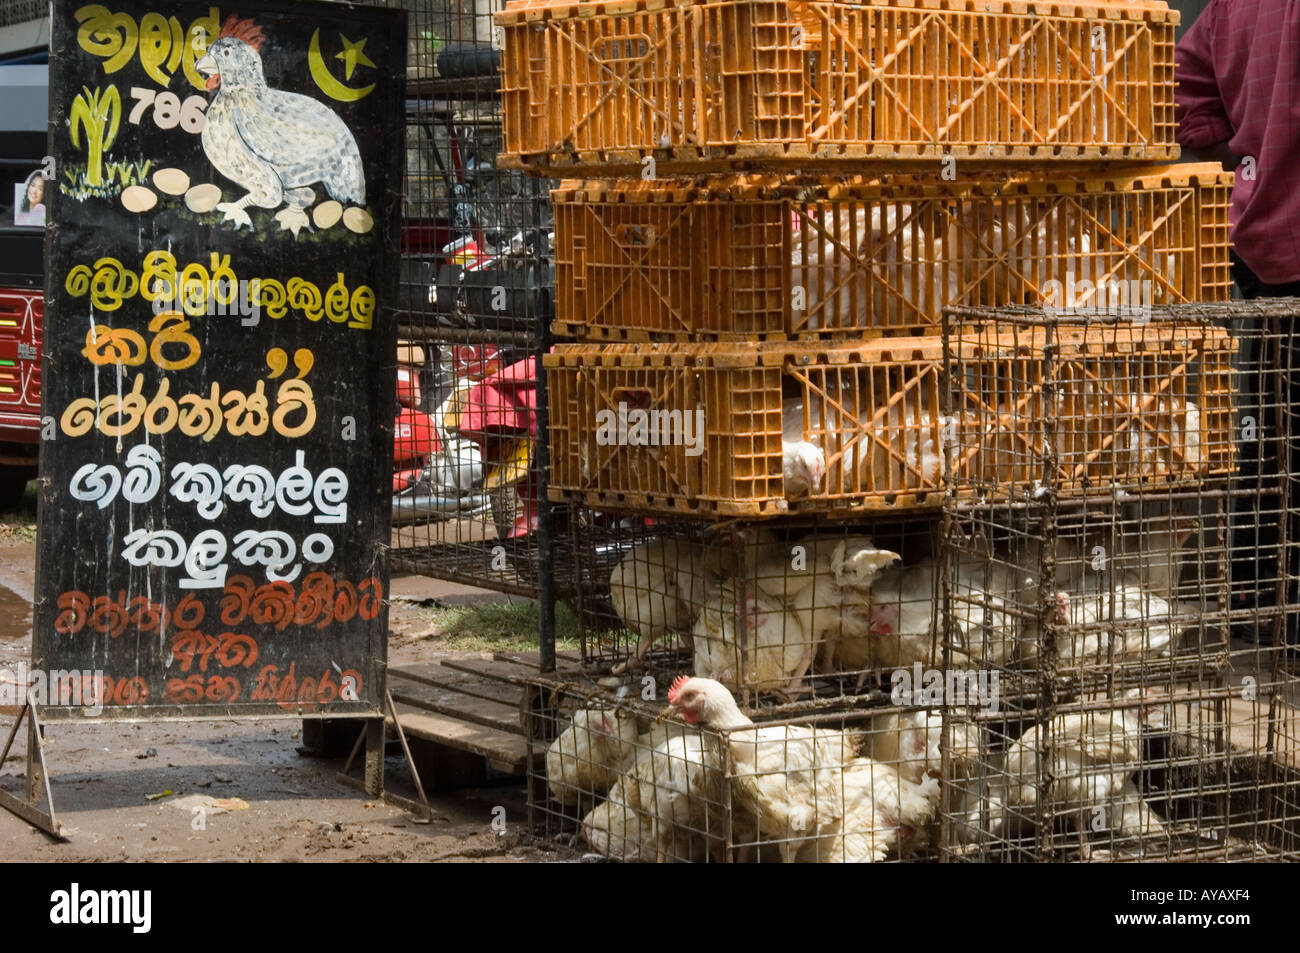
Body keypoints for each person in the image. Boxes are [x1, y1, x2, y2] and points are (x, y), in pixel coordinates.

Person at [1175, 0, 1300, 650]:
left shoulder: (1233, 6)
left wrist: (1252, 162)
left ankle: (1262, 610)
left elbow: (1184, 93)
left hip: (1264, 247)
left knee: (1273, 431)